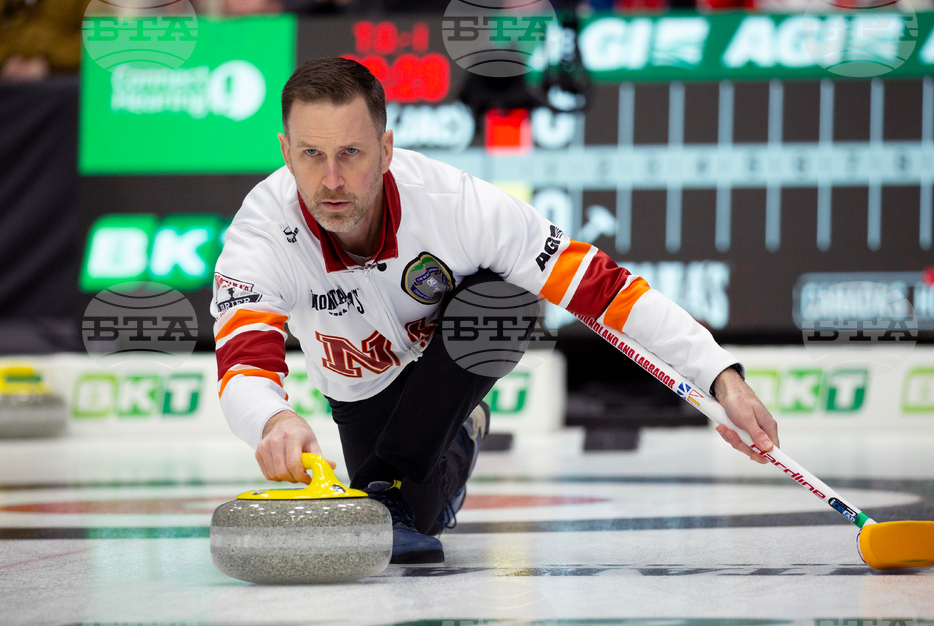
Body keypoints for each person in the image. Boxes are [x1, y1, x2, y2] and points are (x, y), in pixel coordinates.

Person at [211, 57, 779, 565]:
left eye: (351, 154)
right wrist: (273, 419)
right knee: (414, 524)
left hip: (451, 357)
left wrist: (720, 377)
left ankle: (410, 460)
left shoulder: (457, 203)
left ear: (386, 149)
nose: (331, 180)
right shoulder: (261, 231)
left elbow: (604, 289)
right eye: (312, 155)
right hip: (363, 387)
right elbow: (243, 364)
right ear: (286, 151)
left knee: (505, 303)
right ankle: (458, 442)